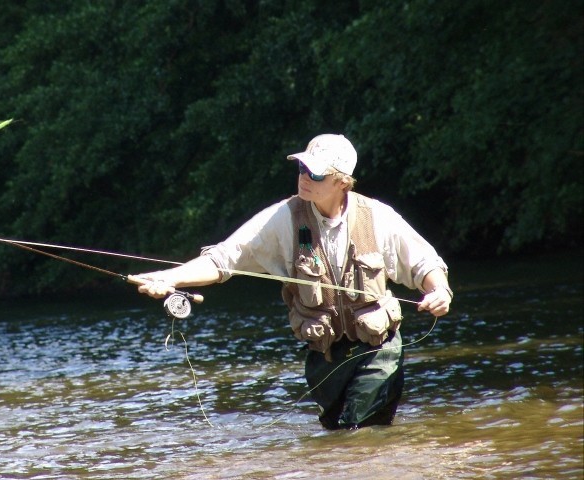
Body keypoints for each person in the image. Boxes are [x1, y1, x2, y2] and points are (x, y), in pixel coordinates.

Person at [133, 134, 452, 430]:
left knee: (359, 432)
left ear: (342, 181)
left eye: (315, 173)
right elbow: (223, 260)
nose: (303, 177)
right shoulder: (283, 218)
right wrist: (169, 277)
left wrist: (438, 291)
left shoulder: (377, 217)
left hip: (377, 350)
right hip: (324, 359)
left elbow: (425, 264)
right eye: (302, 168)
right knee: (338, 438)